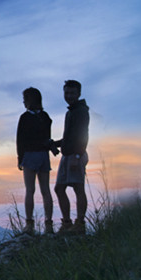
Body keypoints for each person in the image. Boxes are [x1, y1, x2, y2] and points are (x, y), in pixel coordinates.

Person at [16, 87, 58, 234]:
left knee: (30, 190)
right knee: (46, 191)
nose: (23, 102)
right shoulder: (45, 117)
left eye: (24, 99)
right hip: (43, 156)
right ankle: (49, 224)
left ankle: (29, 224)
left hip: (29, 156)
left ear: (29, 101)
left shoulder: (25, 118)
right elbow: (47, 138)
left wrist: (20, 158)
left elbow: (20, 140)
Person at [53, 80, 90, 234]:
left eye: (72, 93)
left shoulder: (81, 111)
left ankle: (79, 224)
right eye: (66, 93)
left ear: (79, 94)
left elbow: (82, 135)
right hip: (67, 155)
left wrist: (77, 155)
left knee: (78, 188)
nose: (69, 96)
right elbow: (69, 137)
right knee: (59, 188)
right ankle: (67, 223)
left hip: (75, 155)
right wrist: (55, 143)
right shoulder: (71, 112)